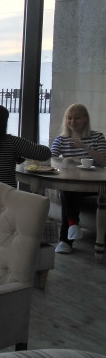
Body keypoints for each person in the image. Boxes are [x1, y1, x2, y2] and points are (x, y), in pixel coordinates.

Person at [50, 103, 106, 254]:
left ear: (85, 119)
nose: (72, 122)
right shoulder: (61, 139)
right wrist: (66, 162)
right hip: (73, 184)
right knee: (68, 188)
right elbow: (51, 159)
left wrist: (84, 147)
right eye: (69, 118)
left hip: (94, 185)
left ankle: (66, 239)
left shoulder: (97, 137)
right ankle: (72, 227)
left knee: (67, 190)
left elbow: (104, 161)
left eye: (76, 118)